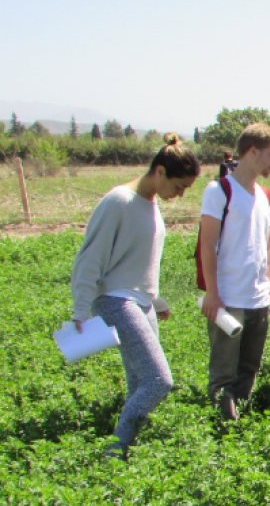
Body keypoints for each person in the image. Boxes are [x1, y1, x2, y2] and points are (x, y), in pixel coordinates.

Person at [70, 133, 200, 457]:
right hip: (116, 301)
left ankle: (127, 454)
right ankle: (115, 449)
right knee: (158, 381)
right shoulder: (119, 201)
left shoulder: (152, 206)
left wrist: (155, 299)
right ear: (159, 172)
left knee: (138, 384)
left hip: (141, 303)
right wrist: (81, 310)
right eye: (179, 186)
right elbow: (91, 259)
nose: (180, 195)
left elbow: (135, 261)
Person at [199, 123, 270, 421]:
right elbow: (207, 245)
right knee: (224, 369)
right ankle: (222, 427)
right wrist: (212, 293)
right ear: (251, 151)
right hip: (228, 297)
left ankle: (241, 418)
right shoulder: (219, 190)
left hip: (257, 296)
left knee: (249, 366)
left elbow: (269, 245)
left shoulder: (263, 195)